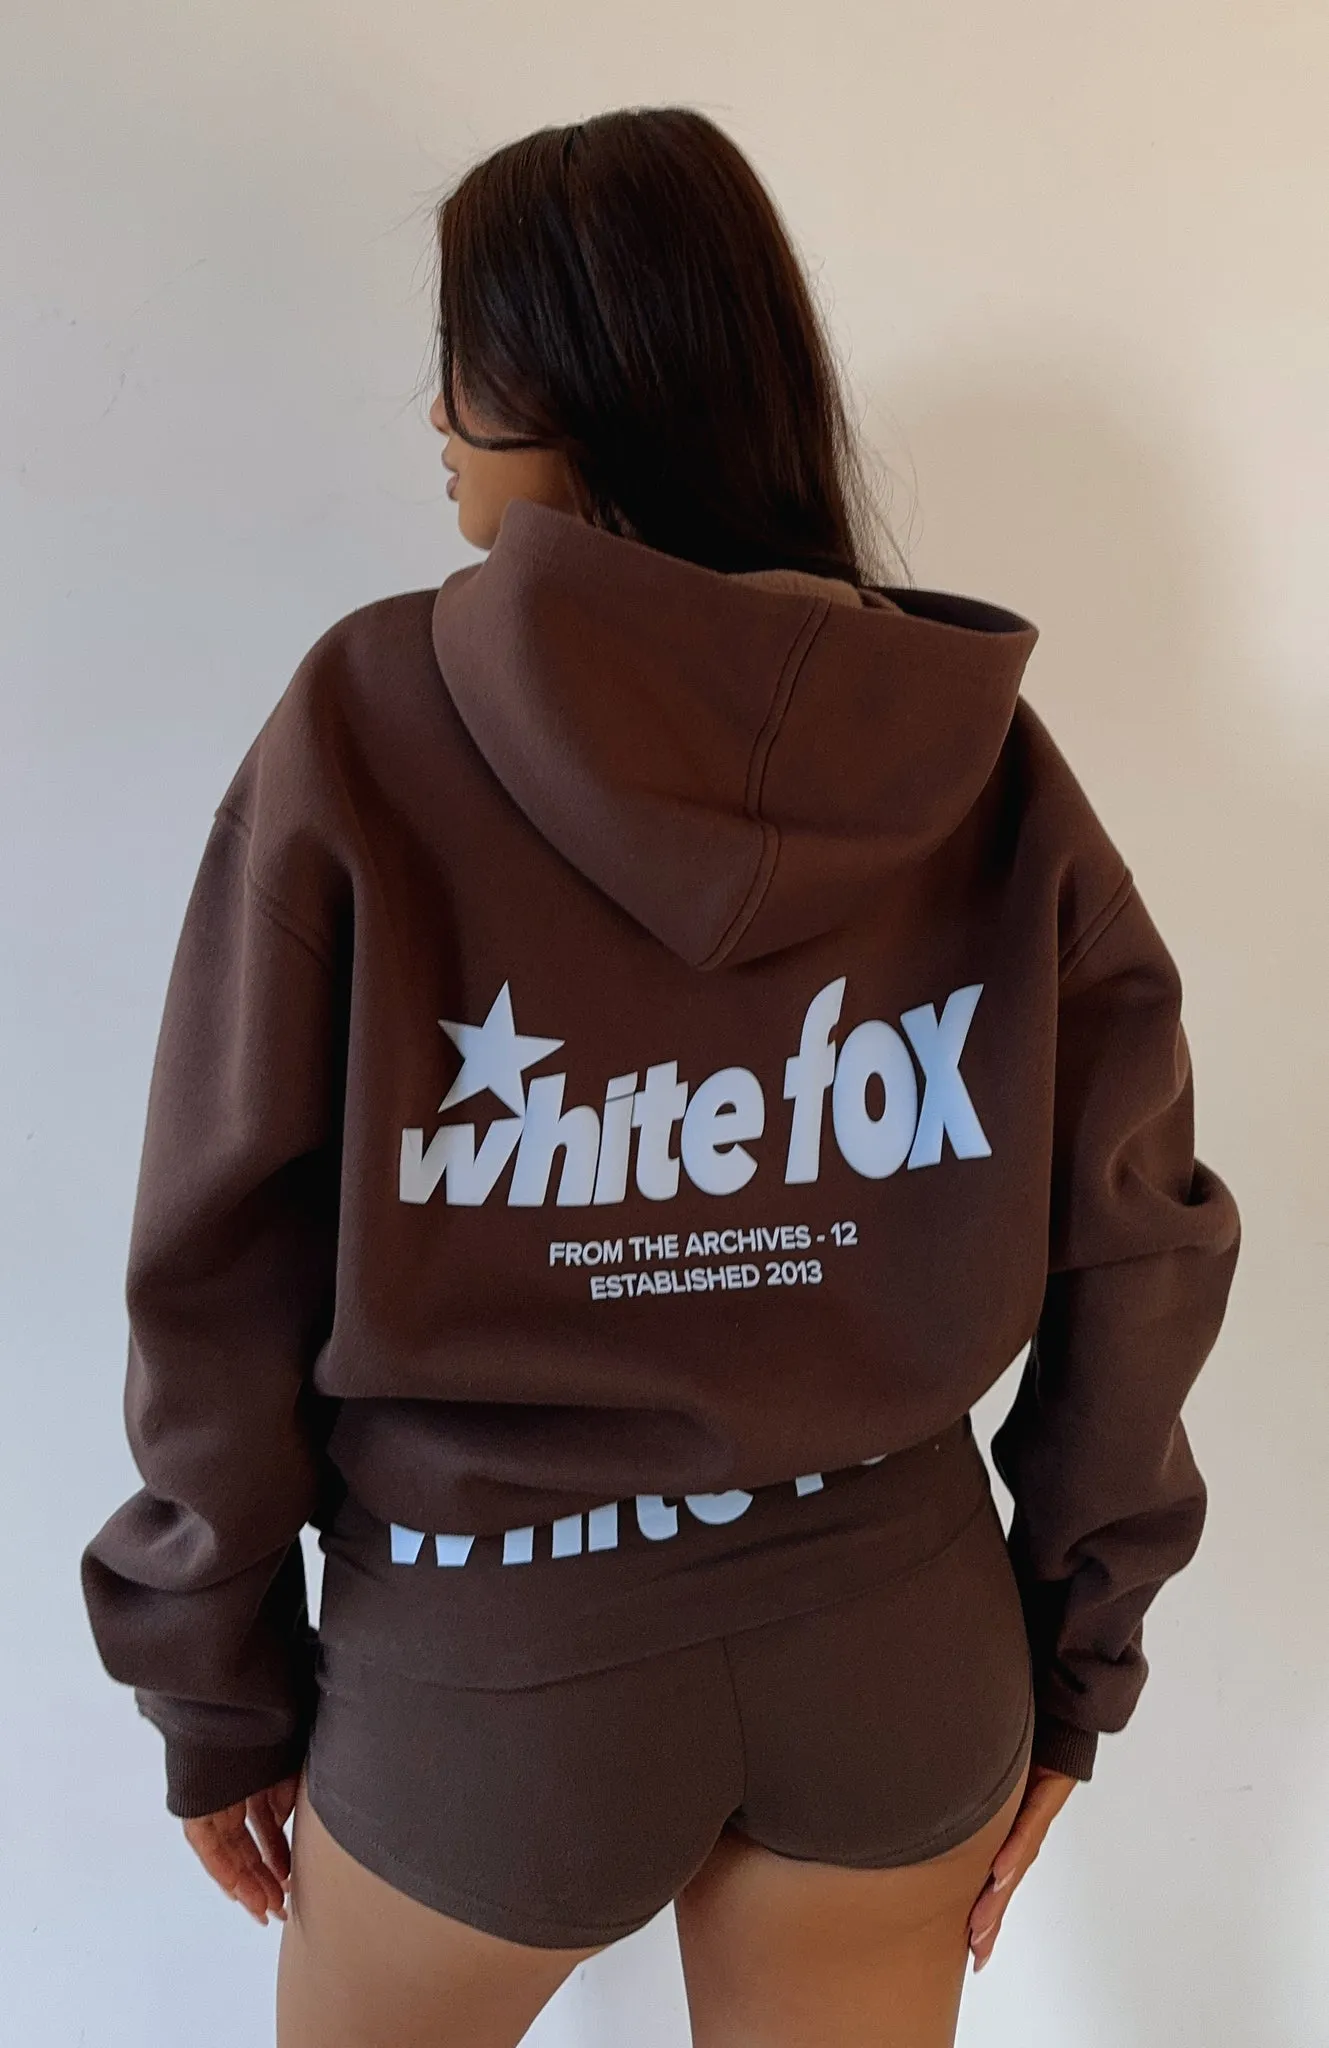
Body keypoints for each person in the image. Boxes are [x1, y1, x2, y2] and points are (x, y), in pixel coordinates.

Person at [80, 105, 1241, 2048]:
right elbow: (1141, 1239)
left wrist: (216, 1682)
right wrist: (1075, 1657)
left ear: (570, 382)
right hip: (900, 1634)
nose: (433, 414)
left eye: (459, 360)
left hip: (490, 1663)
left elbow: (219, 1247)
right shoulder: (976, 756)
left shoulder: (363, 719)